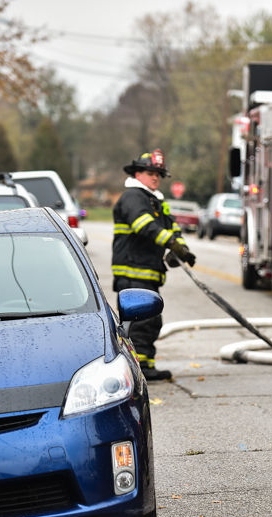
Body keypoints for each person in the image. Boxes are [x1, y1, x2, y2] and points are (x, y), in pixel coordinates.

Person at [112, 148, 196, 381]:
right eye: (150, 172)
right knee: (141, 324)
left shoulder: (155, 200)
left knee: (150, 322)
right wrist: (170, 242)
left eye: (158, 173)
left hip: (147, 272)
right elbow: (144, 225)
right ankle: (139, 370)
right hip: (133, 272)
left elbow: (172, 227)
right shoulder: (133, 198)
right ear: (138, 174)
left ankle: (144, 367)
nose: (156, 177)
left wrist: (182, 250)